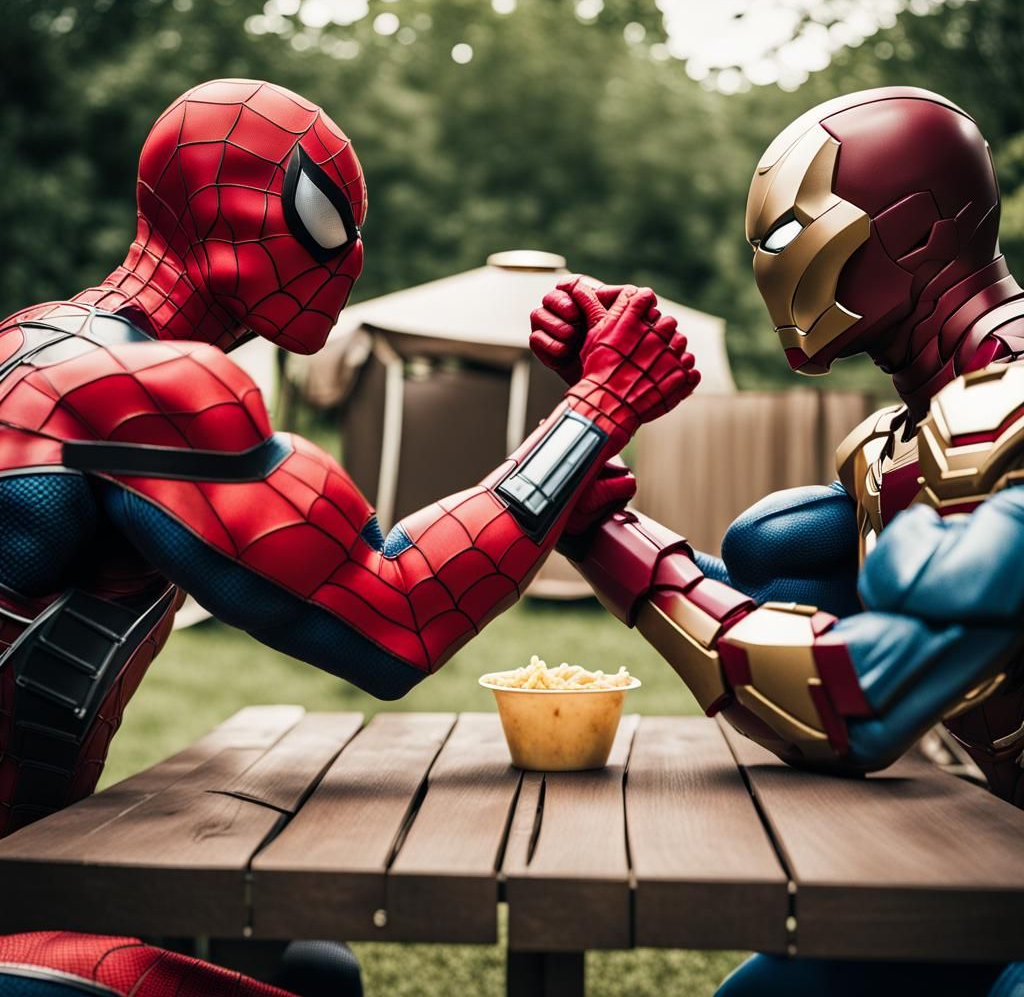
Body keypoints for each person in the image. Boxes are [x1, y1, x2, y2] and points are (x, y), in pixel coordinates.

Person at [0, 78, 697, 994]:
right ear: (221, 205)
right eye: (326, 217)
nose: (352, 255)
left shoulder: (39, 340)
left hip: (27, 867)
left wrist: (563, 459)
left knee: (317, 970)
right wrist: (598, 406)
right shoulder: (133, 387)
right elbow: (394, 612)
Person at [530, 86, 1024, 996]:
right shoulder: (908, 440)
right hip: (987, 853)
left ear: (912, 233)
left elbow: (850, 703)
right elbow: (768, 601)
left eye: (787, 235)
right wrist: (592, 437)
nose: (772, 264)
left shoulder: (1008, 423)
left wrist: (606, 535)